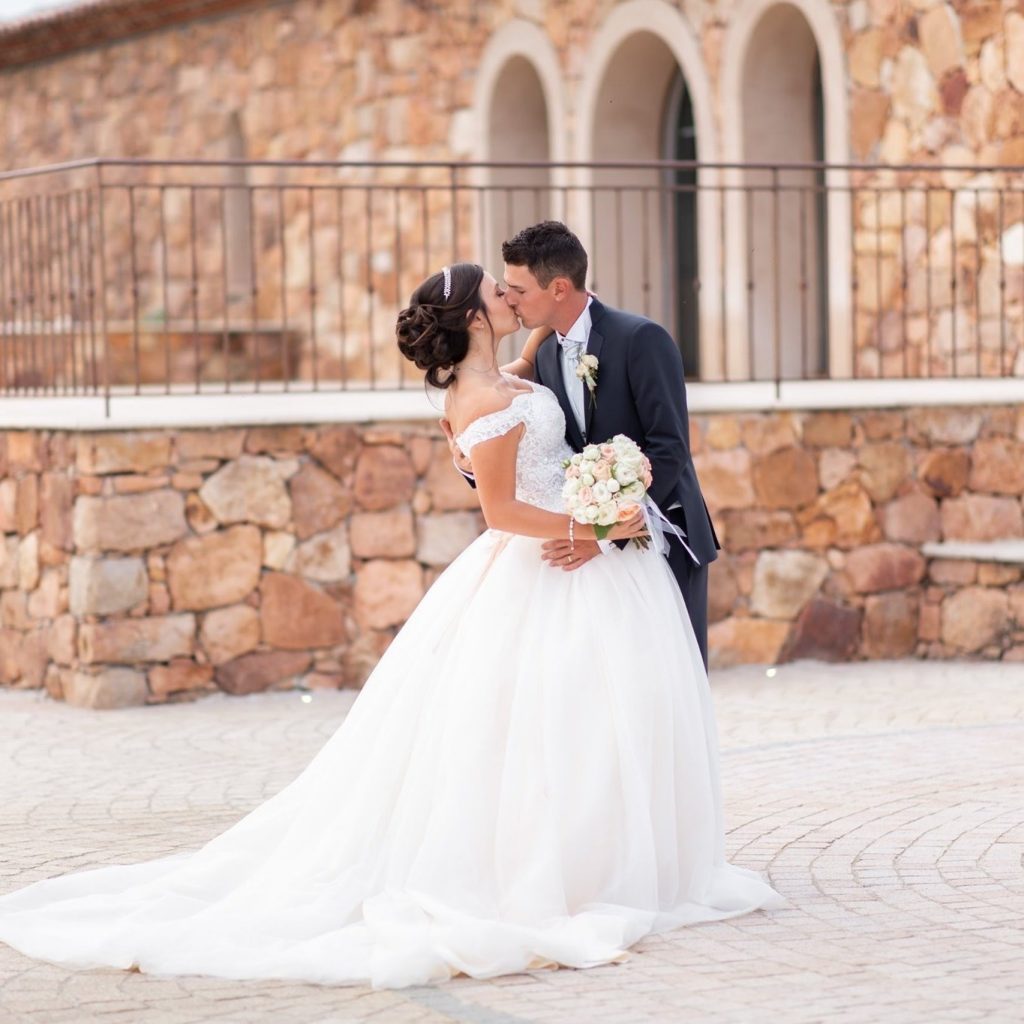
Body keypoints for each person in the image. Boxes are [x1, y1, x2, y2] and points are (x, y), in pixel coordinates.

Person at [0, 263, 781, 991]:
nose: (513, 300)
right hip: (547, 559)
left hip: (570, 560)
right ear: (476, 316)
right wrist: (594, 529)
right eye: (499, 294)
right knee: (543, 722)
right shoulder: (482, 401)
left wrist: (549, 330)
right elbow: (503, 510)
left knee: (584, 718)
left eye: (519, 289)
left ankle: (610, 858)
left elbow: (534, 369)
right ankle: (559, 873)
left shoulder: (495, 379)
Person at [445, 221, 719, 668]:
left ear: (558, 288)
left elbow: (670, 450)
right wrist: (466, 457)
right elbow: (506, 430)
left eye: (518, 289)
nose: (509, 299)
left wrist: (606, 536)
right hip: (584, 554)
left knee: (672, 684)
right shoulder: (544, 352)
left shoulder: (641, 340)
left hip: (661, 537)